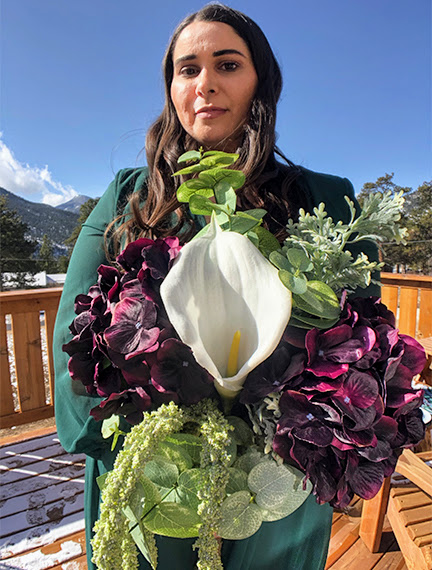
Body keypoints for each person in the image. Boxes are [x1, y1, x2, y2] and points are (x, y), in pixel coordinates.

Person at [53, 4, 379, 569]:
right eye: (187, 69)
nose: (205, 84)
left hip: (278, 483)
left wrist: (287, 456)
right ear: (172, 88)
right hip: (155, 475)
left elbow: (360, 340)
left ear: (261, 83)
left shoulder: (323, 199)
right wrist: (130, 452)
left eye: (227, 65)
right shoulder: (130, 197)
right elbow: (76, 333)